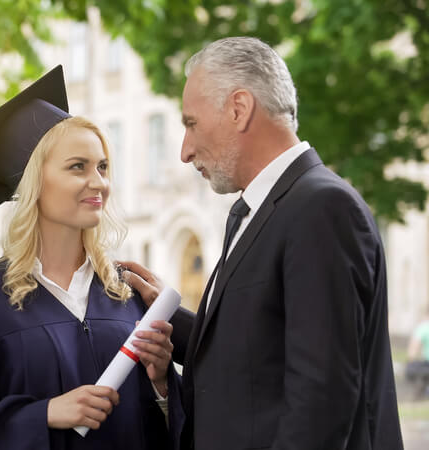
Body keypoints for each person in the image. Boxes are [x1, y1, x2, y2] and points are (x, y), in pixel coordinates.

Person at [121, 37, 403, 449]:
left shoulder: (321, 208)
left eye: (191, 124)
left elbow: (320, 404)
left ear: (239, 108)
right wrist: (168, 318)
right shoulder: (265, 208)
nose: (185, 150)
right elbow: (260, 351)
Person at [0, 65, 181, 450]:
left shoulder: (123, 295)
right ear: (34, 182)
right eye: (78, 166)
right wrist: (43, 414)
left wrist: (162, 384)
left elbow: (161, 429)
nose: (99, 182)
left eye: (103, 166)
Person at [406, 311, 429, 399]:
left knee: (415, 371)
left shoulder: (423, 327)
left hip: (427, 364)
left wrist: (410, 361)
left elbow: (414, 347)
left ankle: (419, 395)